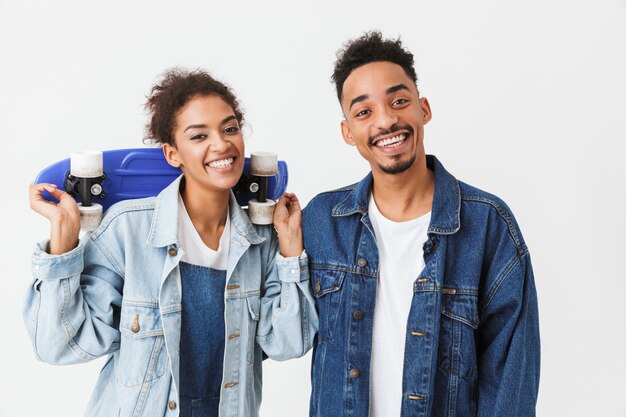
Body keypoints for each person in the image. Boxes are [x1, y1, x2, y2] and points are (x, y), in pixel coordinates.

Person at [24, 69, 317, 417]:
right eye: (198, 136)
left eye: (230, 128)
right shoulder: (129, 230)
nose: (222, 144)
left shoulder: (262, 239)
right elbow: (60, 346)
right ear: (172, 154)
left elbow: (289, 343)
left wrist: (290, 249)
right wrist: (63, 236)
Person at [302, 31, 540, 417]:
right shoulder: (321, 221)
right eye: (364, 112)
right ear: (348, 132)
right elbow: (273, 331)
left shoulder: (487, 225)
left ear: (423, 109)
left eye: (399, 101)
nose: (386, 120)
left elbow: (512, 379)